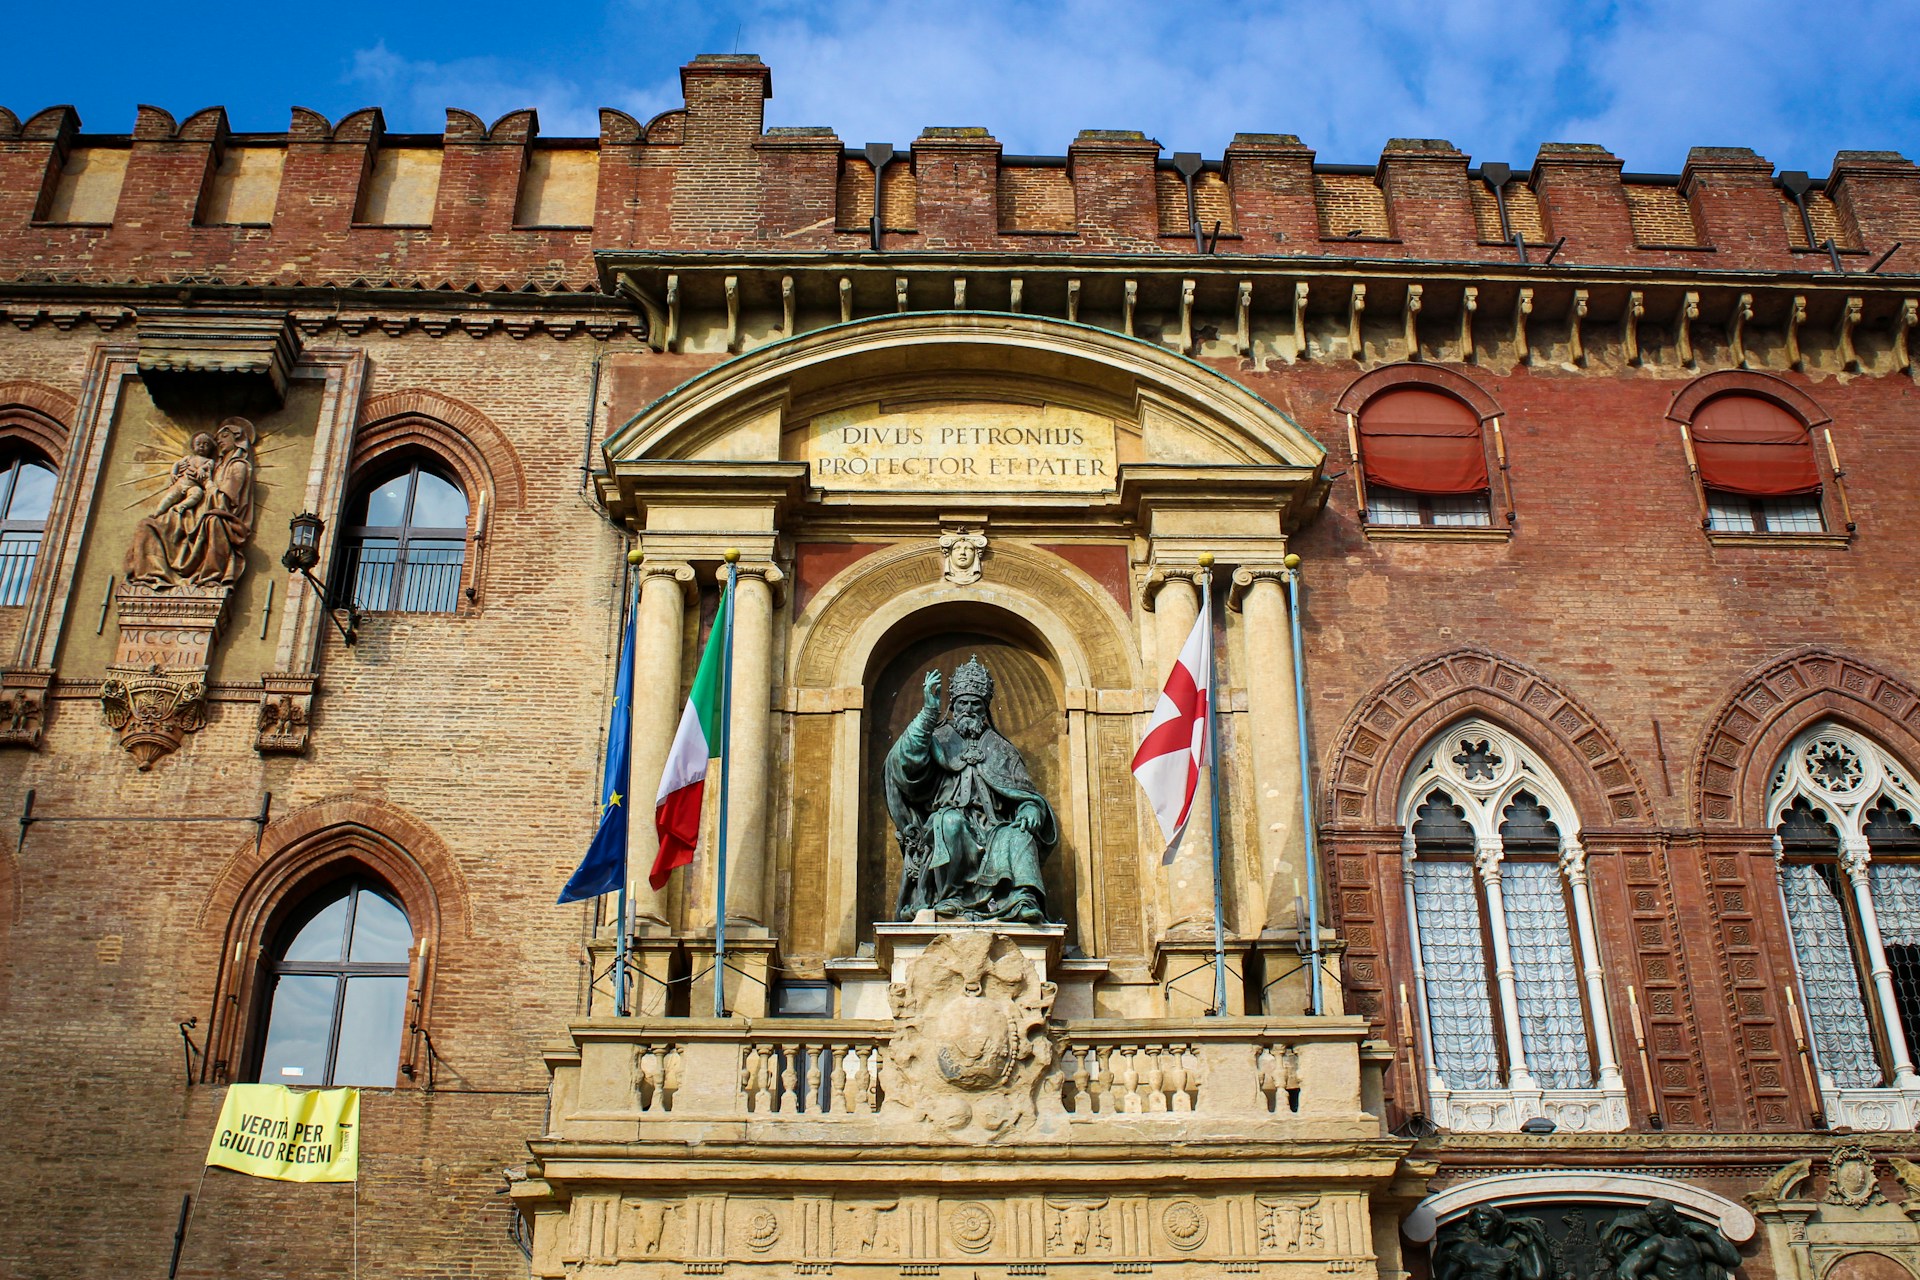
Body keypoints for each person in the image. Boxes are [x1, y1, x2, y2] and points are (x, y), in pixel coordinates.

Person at [884, 656, 1056, 924]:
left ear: (985, 708)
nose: (969, 709)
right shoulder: (939, 738)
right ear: (953, 706)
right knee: (950, 823)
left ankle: (1022, 900)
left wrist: (1030, 808)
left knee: (1018, 835)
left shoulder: (1001, 748)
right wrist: (928, 714)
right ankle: (950, 897)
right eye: (963, 703)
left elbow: (1024, 790)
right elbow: (906, 762)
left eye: (975, 704)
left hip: (994, 825)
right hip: (947, 818)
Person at [125, 416, 257, 590]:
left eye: (224, 436)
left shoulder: (237, 466)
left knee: (213, 521)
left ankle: (211, 576)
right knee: (146, 525)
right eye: (217, 439)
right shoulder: (214, 465)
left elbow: (223, 503)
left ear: (237, 439)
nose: (219, 441)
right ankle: (150, 577)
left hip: (216, 519)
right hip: (190, 516)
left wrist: (206, 483)